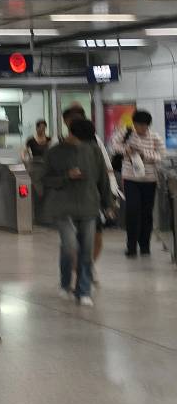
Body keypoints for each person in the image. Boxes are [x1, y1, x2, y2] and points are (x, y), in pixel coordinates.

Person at [42, 117, 114, 307]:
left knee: (87, 249)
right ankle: (65, 283)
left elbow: (103, 179)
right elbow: (45, 179)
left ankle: (83, 290)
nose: (84, 144)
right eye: (81, 139)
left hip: (89, 206)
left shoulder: (94, 150)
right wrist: (67, 176)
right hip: (63, 207)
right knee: (70, 246)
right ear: (71, 134)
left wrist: (108, 204)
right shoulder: (54, 153)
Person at [61, 103, 118, 285]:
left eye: (79, 118)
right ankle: (78, 274)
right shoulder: (60, 145)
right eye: (72, 119)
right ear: (66, 121)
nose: (75, 122)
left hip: (92, 200)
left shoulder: (96, 143)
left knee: (96, 239)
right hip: (69, 202)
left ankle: (87, 267)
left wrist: (109, 200)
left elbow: (105, 172)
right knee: (72, 242)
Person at [110, 108, 165, 257]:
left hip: (149, 179)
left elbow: (161, 155)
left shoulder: (155, 137)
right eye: (138, 125)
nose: (141, 128)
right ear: (134, 124)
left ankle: (145, 245)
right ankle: (131, 246)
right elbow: (114, 144)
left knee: (146, 213)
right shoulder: (126, 132)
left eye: (144, 125)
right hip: (130, 178)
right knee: (132, 211)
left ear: (148, 125)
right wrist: (126, 150)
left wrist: (143, 154)